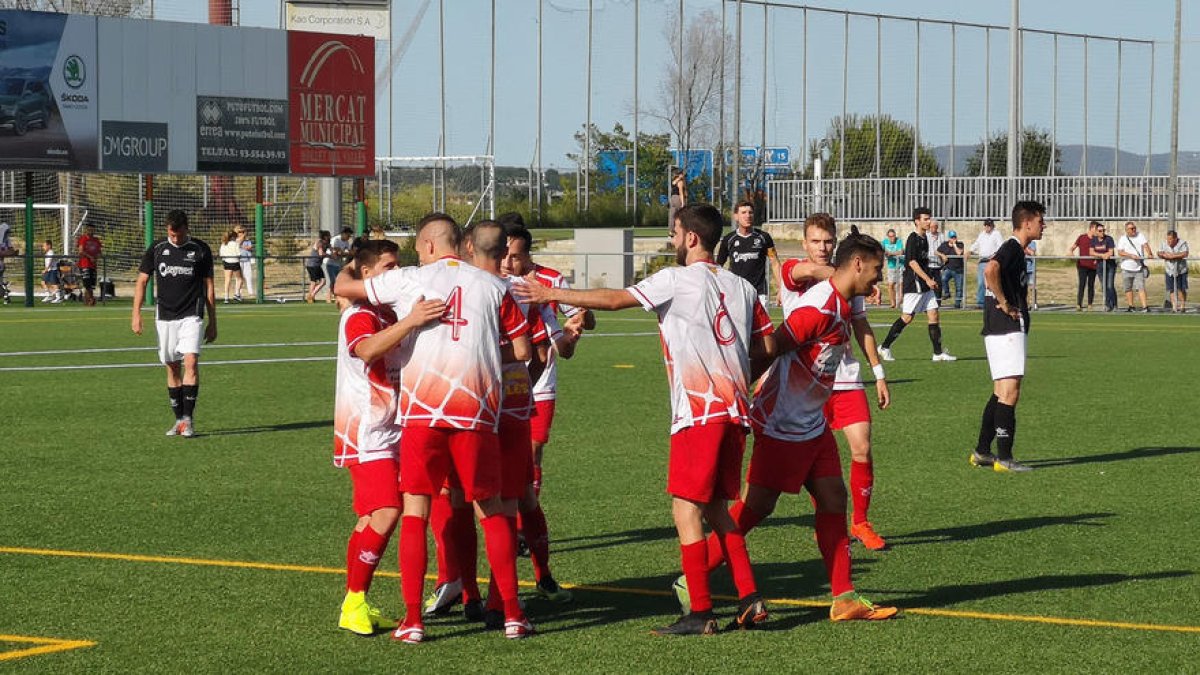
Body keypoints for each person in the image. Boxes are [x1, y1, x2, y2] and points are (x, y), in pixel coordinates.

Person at [515, 203, 775, 636]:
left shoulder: (675, 279)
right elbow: (766, 346)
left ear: (691, 237)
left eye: (675, 233)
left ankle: (701, 613)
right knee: (716, 508)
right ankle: (749, 599)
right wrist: (737, 374)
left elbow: (617, 299)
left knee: (685, 509)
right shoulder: (741, 287)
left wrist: (551, 295)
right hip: (734, 412)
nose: (673, 240)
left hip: (699, 411)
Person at [334, 213, 535, 643]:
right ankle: (514, 615)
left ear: (426, 246)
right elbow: (521, 350)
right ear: (461, 246)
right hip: (477, 412)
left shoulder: (409, 280)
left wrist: (366, 275)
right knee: (492, 508)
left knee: (415, 512)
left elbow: (343, 288)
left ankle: (413, 621)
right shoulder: (495, 286)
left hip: (422, 414)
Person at [693, 226, 899, 622]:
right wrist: (735, 396)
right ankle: (695, 571)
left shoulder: (841, 302)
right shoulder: (818, 309)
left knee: (834, 500)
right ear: (857, 264)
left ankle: (844, 598)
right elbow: (769, 348)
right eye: (876, 269)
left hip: (812, 423)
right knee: (756, 508)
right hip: (784, 424)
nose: (879, 279)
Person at [333, 239, 445, 636]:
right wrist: (412, 321)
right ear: (367, 274)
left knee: (374, 515)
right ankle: (353, 601)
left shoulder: (389, 310)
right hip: (366, 431)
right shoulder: (360, 315)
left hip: (395, 427)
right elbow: (365, 351)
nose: (396, 273)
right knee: (387, 511)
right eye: (389, 266)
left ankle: (356, 600)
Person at [763, 213, 893, 550]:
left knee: (862, 446)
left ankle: (860, 523)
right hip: (801, 385)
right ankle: (829, 524)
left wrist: (878, 371)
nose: (822, 247)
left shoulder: (853, 276)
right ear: (804, 243)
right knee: (785, 483)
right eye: (816, 241)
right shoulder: (797, 270)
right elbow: (802, 272)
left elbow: (861, 325)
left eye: (828, 241)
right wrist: (840, 272)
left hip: (843, 375)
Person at [496, 212, 595, 495]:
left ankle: (525, 517)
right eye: (503, 254)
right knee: (506, 451)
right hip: (504, 376)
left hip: (541, 377)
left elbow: (583, 317)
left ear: (527, 255)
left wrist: (578, 321)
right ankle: (516, 515)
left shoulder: (550, 279)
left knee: (534, 448)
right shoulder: (492, 282)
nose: (507, 263)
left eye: (514, 256)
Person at [970, 201, 1046, 473]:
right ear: (1027, 223)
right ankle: (1005, 457)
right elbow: (990, 270)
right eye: (1040, 221)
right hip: (1007, 327)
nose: (1043, 225)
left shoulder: (1014, 248)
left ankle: (982, 451)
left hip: (996, 327)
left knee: (1000, 391)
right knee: (1010, 393)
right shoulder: (1013, 247)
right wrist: (1004, 302)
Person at [131, 210, 217, 438]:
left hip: (192, 314)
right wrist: (136, 314)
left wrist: (213, 321)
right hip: (165, 315)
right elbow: (141, 281)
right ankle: (178, 420)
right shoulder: (158, 248)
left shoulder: (200, 250)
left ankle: (188, 420)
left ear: (186, 228)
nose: (175, 238)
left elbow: (209, 286)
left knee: (190, 362)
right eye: (171, 234)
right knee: (171, 366)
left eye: (178, 234)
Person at [877, 207, 956, 362]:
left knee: (933, 313)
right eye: (925, 219)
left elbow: (923, 262)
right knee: (907, 317)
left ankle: (938, 353)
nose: (929, 221)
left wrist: (932, 276)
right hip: (914, 284)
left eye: (929, 218)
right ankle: (884, 347)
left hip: (924, 283)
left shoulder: (924, 238)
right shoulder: (913, 238)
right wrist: (927, 279)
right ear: (917, 221)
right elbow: (912, 262)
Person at [716, 200, 780, 307]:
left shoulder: (764, 237)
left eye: (750, 212)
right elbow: (718, 266)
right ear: (736, 216)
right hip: (736, 292)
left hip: (759, 293)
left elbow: (775, 263)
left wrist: (781, 288)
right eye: (744, 212)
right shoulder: (729, 239)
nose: (748, 216)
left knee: (761, 324)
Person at [1117, 221, 1155, 313]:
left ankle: (1145, 307)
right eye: (1131, 228)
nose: (1134, 230)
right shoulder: (1122, 239)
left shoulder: (1140, 235)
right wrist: (1131, 255)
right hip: (1126, 267)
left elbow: (1145, 245)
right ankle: (1131, 306)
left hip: (1138, 267)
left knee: (1141, 287)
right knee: (1128, 288)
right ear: (1126, 230)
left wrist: (1149, 253)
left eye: (1134, 228)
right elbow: (1120, 252)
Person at [970, 218, 1005, 308]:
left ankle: (996, 301)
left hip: (992, 262)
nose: (987, 227)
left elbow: (1001, 247)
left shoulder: (996, 234)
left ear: (993, 226)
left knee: (993, 283)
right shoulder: (982, 235)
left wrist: (995, 255)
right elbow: (976, 244)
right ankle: (980, 303)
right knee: (981, 283)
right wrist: (969, 251)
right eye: (986, 225)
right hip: (982, 261)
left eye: (989, 225)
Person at [1069, 222, 1099, 311]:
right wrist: (1071, 253)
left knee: (1091, 285)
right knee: (1082, 284)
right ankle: (1079, 304)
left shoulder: (1097, 239)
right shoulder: (1082, 237)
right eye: (1096, 229)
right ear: (1092, 228)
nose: (1098, 231)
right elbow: (1073, 247)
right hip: (1082, 265)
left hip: (1093, 266)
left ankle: (1090, 304)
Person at [1158, 229, 1189, 313]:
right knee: (1171, 289)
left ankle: (1182, 306)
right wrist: (1164, 255)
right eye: (1168, 239)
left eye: (1171, 239)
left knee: (1181, 289)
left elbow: (1185, 253)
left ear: (1175, 239)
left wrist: (1173, 256)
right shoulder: (1164, 243)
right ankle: (1174, 307)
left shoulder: (1182, 243)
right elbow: (1159, 253)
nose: (1169, 241)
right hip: (1169, 270)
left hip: (1181, 270)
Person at [1091, 224, 1118, 311]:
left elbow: (1110, 252)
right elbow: (1091, 252)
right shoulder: (1094, 240)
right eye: (1100, 231)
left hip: (1110, 265)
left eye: (1103, 230)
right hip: (1100, 266)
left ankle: (1114, 304)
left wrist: (1106, 255)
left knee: (1110, 286)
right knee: (1104, 286)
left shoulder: (1109, 239)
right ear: (1096, 232)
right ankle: (1107, 304)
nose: (1102, 232)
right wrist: (1101, 255)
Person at [936, 230, 965, 309]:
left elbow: (959, 253)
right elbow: (936, 252)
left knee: (959, 288)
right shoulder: (944, 245)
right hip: (948, 268)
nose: (953, 238)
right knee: (943, 278)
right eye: (952, 237)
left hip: (958, 269)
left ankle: (957, 304)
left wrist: (954, 244)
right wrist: (942, 255)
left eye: (954, 237)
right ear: (948, 238)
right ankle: (947, 293)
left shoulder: (960, 244)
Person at [76, 223, 102, 307]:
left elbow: (99, 251)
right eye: (89, 229)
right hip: (84, 264)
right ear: (86, 230)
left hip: (93, 265)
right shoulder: (83, 239)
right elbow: (80, 251)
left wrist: (97, 257)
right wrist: (90, 257)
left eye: (92, 229)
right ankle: (90, 299)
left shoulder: (96, 240)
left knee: (91, 285)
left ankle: (88, 302)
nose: (91, 231)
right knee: (87, 284)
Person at [325, 227, 353, 303]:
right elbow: (337, 252)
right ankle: (328, 297)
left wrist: (344, 253)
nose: (349, 237)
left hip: (338, 264)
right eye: (348, 235)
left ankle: (338, 296)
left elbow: (349, 252)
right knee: (333, 281)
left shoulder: (346, 242)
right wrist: (343, 253)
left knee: (339, 281)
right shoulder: (336, 240)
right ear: (343, 234)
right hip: (330, 263)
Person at [218, 229, 244, 303]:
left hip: (226, 262)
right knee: (240, 279)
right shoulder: (235, 243)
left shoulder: (223, 244)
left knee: (227, 280)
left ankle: (226, 298)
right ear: (233, 237)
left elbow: (221, 254)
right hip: (235, 262)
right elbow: (239, 254)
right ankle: (236, 294)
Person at [304, 230, 330, 303]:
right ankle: (311, 296)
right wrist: (329, 255)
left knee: (317, 282)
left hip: (317, 265)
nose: (330, 237)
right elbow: (321, 253)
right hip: (313, 264)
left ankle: (311, 297)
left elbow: (332, 249)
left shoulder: (327, 243)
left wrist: (334, 252)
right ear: (325, 237)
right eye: (329, 235)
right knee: (318, 282)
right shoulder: (320, 242)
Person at [881, 229, 904, 308]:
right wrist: (887, 253)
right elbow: (882, 251)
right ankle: (893, 303)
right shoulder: (884, 242)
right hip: (891, 266)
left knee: (900, 284)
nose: (892, 238)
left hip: (900, 265)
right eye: (890, 236)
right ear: (888, 236)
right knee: (891, 284)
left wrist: (890, 253)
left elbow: (900, 252)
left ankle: (900, 301)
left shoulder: (899, 241)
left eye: (893, 236)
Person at [237, 226, 256, 299]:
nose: (241, 233)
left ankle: (250, 292)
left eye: (243, 232)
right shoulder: (237, 240)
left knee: (248, 276)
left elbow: (250, 247)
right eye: (240, 232)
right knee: (239, 277)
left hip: (247, 260)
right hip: (239, 260)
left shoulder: (248, 240)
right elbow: (238, 244)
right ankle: (238, 292)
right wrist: (243, 245)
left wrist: (244, 247)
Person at [1024, 239, 1038, 310]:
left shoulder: (1033, 243)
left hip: (1031, 269)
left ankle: (1034, 303)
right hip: (1023, 269)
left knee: (1033, 287)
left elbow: (1032, 253)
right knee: (1024, 288)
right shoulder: (1020, 242)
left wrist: (1025, 248)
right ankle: (1026, 304)